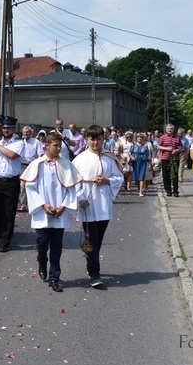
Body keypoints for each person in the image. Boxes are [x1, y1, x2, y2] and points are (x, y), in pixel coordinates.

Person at [21, 132, 82, 292]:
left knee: (56, 245)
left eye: (60, 146)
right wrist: (43, 205)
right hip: (43, 212)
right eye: (55, 146)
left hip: (59, 212)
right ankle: (42, 261)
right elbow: (30, 187)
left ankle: (54, 277)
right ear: (46, 146)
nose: (58, 148)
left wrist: (63, 207)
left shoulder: (66, 165)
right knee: (42, 243)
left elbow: (71, 189)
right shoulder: (37, 164)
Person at [72, 125, 123, 288]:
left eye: (98, 139)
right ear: (87, 139)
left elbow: (119, 177)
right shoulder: (79, 159)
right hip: (87, 205)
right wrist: (80, 198)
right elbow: (73, 182)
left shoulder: (109, 158)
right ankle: (94, 273)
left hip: (103, 203)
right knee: (91, 238)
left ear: (103, 139)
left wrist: (107, 181)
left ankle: (91, 263)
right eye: (92, 139)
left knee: (98, 239)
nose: (95, 142)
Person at [0, 115, 26, 252]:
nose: (6, 130)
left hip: (11, 182)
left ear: (13, 129)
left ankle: (5, 240)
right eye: (4, 128)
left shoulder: (18, 143)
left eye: (9, 128)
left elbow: (12, 155)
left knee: (9, 213)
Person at [17, 126, 41, 212]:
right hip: (22, 166)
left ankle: (34, 204)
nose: (25, 134)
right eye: (24, 132)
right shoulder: (20, 143)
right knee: (22, 186)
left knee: (33, 186)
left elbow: (40, 155)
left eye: (27, 132)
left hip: (32, 166)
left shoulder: (36, 142)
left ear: (31, 133)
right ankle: (23, 205)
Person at [157, 123, 183, 197]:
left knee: (175, 175)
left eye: (171, 129)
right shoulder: (163, 137)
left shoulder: (177, 137)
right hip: (165, 158)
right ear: (166, 129)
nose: (169, 130)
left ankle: (175, 191)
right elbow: (158, 146)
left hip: (175, 158)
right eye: (168, 129)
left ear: (173, 130)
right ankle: (168, 190)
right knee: (166, 175)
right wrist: (166, 149)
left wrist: (177, 150)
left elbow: (181, 146)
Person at [132, 132, 152, 197]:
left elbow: (148, 155)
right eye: (138, 137)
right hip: (136, 162)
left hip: (143, 162)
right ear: (136, 138)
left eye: (141, 137)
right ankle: (139, 189)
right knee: (137, 177)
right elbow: (130, 153)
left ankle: (140, 191)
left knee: (142, 176)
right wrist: (131, 157)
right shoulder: (134, 145)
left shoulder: (145, 146)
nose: (139, 138)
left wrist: (149, 164)